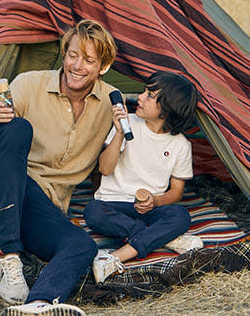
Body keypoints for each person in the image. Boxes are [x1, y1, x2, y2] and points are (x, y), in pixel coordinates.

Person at [0, 20, 118, 316]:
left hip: (39, 207)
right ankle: (9, 256)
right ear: (64, 53)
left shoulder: (111, 102)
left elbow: (114, 163)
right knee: (16, 128)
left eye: (88, 60)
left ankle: (39, 303)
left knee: (82, 246)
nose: (77, 65)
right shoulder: (27, 84)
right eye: (73, 55)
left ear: (103, 66)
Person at [83, 71, 202, 284]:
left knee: (180, 215)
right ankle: (165, 239)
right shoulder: (127, 122)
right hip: (114, 203)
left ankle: (115, 258)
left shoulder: (181, 145)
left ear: (166, 110)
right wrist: (119, 133)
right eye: (145, 91)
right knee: (93, 211)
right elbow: (105, 169)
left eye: (150, 95)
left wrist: (156, 201)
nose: (140, 96)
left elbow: (176, 192)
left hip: (149, 208)